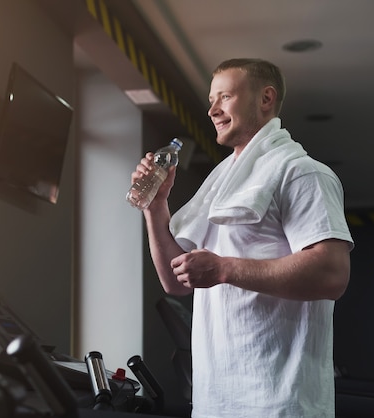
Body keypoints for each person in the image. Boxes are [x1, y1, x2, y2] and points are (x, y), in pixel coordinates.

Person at [130, 58, 354, 417]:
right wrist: (156, 208)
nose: (212, 110)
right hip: (217, 398)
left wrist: (223, 270)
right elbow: (177, 281)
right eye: (211, 99)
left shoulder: (301, 173)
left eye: (225, 97)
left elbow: (331, 273)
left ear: (266, 99)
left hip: (278, 401)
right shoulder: (220, 186)